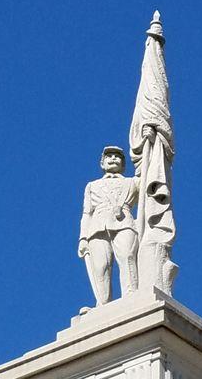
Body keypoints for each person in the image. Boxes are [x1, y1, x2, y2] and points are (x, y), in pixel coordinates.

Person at [78, 128, 155, 306]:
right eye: (109, 156)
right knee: (101, 266)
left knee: (127, 257)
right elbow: (86, 213)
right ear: (102, 163)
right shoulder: (92, 185)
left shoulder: (132, 182)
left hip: (125, 223)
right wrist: (83, 238)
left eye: (118, 156)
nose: (113, 159)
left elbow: (149, 170)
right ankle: (102, 303)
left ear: (123, 163)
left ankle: (131, 296)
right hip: (97, 226)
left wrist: (148, 143)